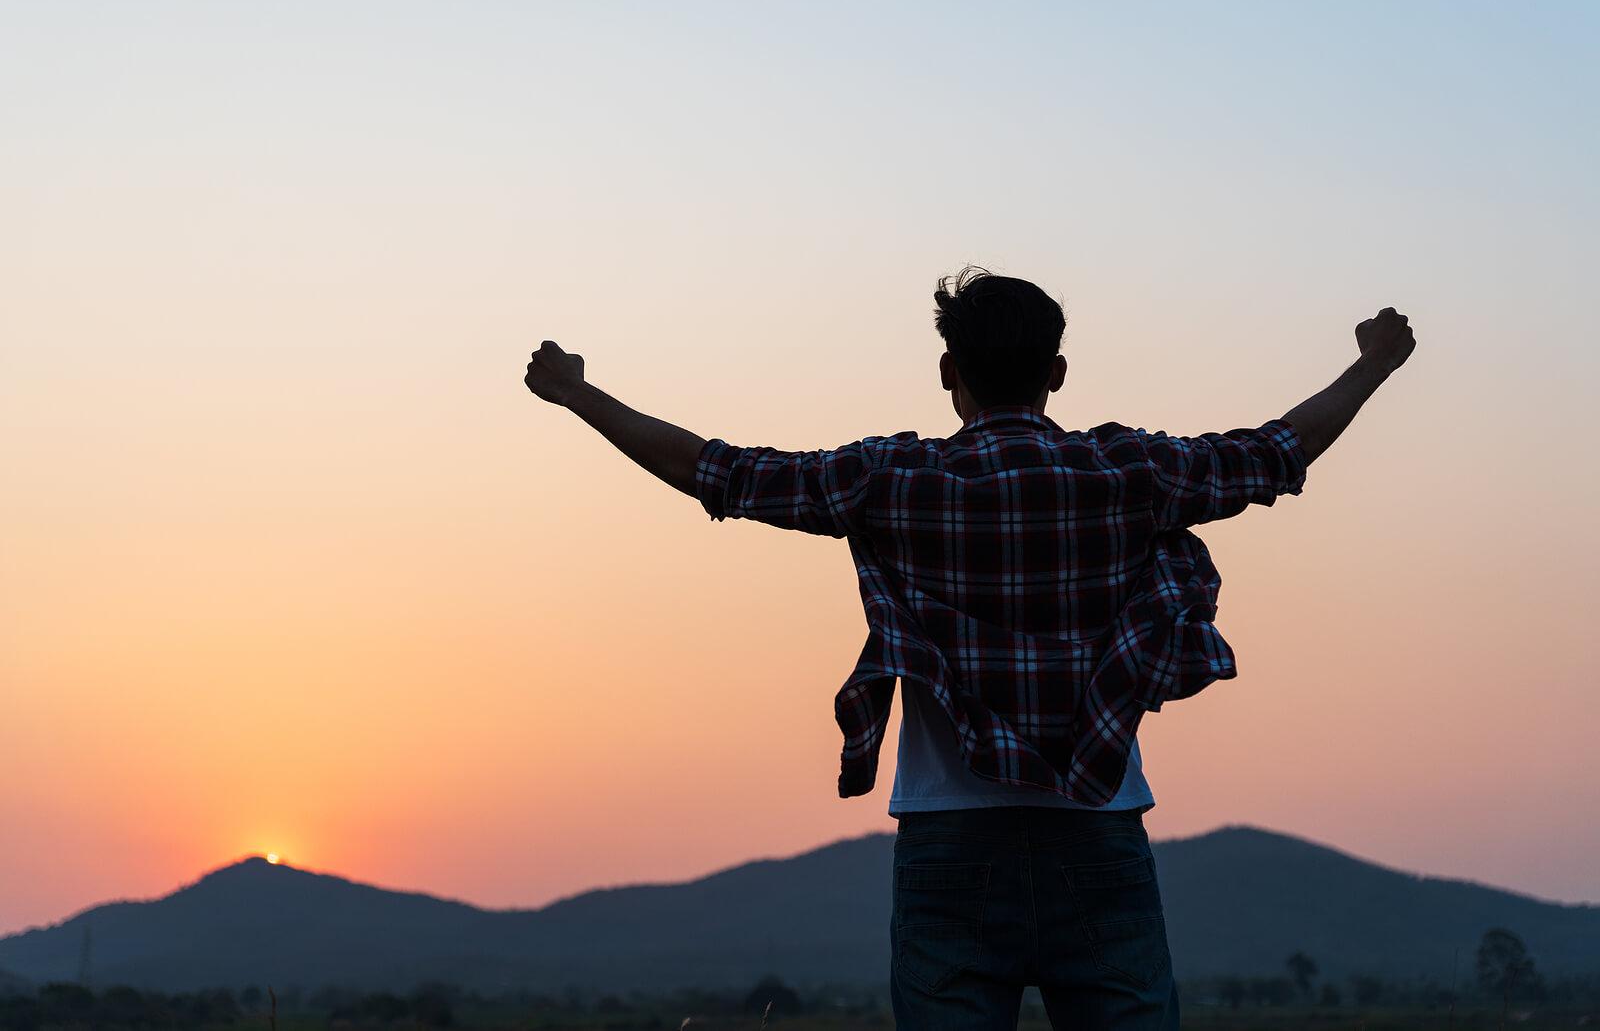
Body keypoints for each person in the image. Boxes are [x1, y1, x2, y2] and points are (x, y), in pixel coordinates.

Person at [522, 267, 1416, 1029]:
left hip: (949, 850)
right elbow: (1277, 452)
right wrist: (1373, 363)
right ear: (1057, 372)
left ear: (949, 371)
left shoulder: (895, 480)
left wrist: (576, 393)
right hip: (1099, 841)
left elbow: (719, 471)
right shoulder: (1131, 473)